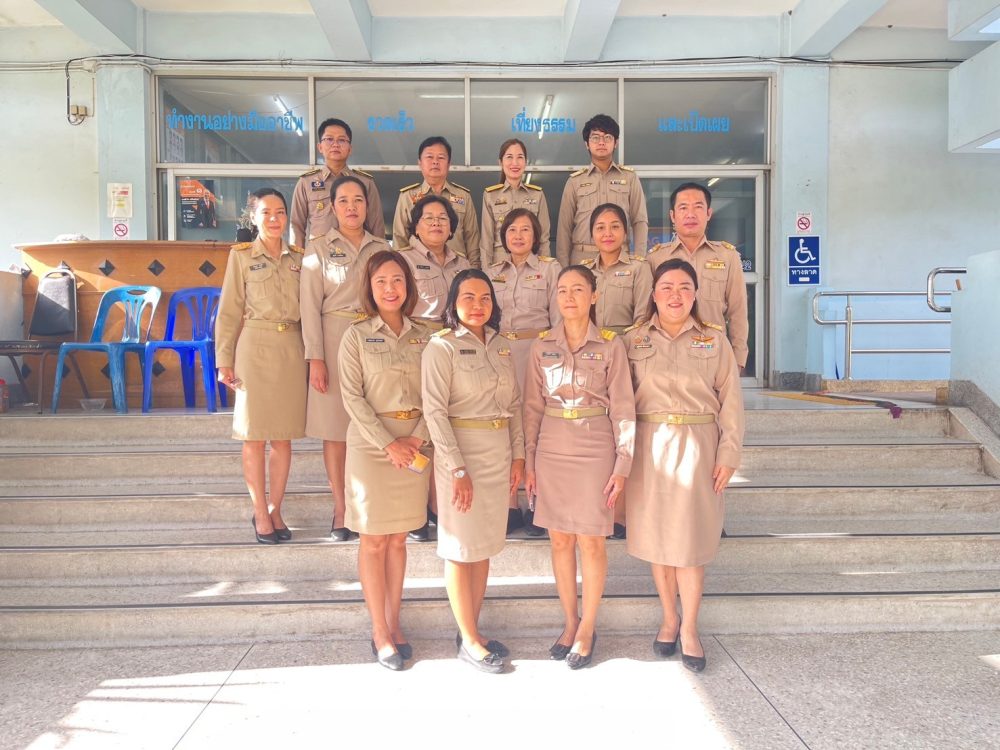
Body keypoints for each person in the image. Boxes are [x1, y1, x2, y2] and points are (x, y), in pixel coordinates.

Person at [624, 258, 744, 673]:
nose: (675, 295)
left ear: (695, 295)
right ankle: (668, 619)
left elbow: (731, 402)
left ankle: (690, 627)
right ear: (653, 294)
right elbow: (620, 401)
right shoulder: (633, 340)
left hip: (698, 446)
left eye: (684, 288)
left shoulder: (715, 340)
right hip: (649, 447)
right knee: (659, 540)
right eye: (667, 287)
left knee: (690, 545)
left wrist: (729, 454)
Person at [523, 265, 635, 669]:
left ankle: (588, 627)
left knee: (591, 540)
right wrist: (530, 460)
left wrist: (623, 463)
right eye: (562, 290)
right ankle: (569, 622)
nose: (569, 297)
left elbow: (623, 406)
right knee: (559, 540)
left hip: (594, 446)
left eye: (577, 290)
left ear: (594, 296)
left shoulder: (610, 345)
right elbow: (532, 407)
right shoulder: (541, 346)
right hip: (552, 446)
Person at [421, 269, 525, 673]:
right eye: (468, 297)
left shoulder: (501, 345)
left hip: (497, 453)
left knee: (482, 547)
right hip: (461, 455)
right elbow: (435, 412)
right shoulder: (441, 347)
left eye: (485, 298)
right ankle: (468, 640)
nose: (478, 305)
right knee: (460, 549)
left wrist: (518, 456)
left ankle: (472, 631)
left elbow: (513, 406)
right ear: (453, 303)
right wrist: (457, 468)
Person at [339, 250, 431, 671]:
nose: (390, 289)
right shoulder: (355, 336)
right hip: (372, 447)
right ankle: (379, 631)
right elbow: (352, 398)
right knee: (374, 541)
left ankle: (395, 623)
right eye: (381, 282)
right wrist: (388, 444)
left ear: (408, 286)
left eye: (397, 280)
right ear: (370, 288)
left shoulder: (427, 336)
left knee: (398, 540)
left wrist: (417, 438)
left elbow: (439, 393)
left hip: (414, 445)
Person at [300, 175, 391, 541]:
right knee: (336, 431)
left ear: (368, 206)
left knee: (375, 423)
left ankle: (371, 505)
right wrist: (315, 359)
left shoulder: (382, 247)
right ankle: (341, 507)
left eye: (358, 200)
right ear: (332, 207)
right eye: (344, 201)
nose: (352, 207)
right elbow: (309, 307)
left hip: (374, 341)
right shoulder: (317, 248)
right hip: (334, 338)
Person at [215, 188, 306, 545]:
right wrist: (224, 360)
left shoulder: (300, 258)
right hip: (254, 347)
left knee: (283, 437)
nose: (274, 218)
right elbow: (229, 312)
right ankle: (259, 511)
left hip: (291, 349)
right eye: (266, 212)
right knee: (253, 436)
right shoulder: (241, 257)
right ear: (253, 218)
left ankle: (275, 508)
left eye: (280, 212)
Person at [487, 208, 560, 537]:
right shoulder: (491, 273)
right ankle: (509, 505)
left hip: (537, 351)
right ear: (503, 236)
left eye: (525, 230)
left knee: (537, 427)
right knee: (505, 428)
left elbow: (559, 318)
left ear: (536, 236)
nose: (518, 235)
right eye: (512, 230)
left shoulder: (549, 269)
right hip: (500, 353)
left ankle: (537, 504)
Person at [645, 182, 749, 371]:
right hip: (666, 355)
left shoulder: (727, 256)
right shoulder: (656, 257)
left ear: (708, 213)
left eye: (698, 207)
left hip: (714, 353)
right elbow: (647, 311)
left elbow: (738, 311)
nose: (690, 214)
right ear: (672, 216)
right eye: (683, 208)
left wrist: (738, 357)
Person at [556, 114, 648, 267]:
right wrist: (564, 269)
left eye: (607, 137)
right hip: (583, 259)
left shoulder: (630, 178)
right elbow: (564, 228)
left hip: (620, 259)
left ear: (615, 143)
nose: (601, 142)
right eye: (595, 138)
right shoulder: (575, 182)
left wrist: (639, 261)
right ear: (587, 144)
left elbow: (639, 221)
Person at [290, 118, 385, 246]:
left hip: (357, 253)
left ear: (350, 148)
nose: (335, 144)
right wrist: (299, 256)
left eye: (341, 140)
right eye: (329, 139)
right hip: (319, 254)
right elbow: (296, 225)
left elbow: (376, 225)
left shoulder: (365, 182)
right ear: (320, 147)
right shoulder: (306, 183)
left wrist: (379, 255)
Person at [393, 136, 479, 266]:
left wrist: (473, 271)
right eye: (429, 157)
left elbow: (472, 238)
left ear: (449, 164)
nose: (435, 162)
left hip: (456, 268)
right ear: (420, 163)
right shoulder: (407, 196)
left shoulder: (463, 196)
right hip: (418, 269)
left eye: (441, 158)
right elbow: (399, 239)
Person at [396, 195, 472, 331]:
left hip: (457, 335)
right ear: (416, 228)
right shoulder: (402, 260)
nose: (436, 223)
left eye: (443, 218)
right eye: (429, 218)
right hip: (419, 336)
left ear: (451, 229)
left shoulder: (463, 264)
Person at [480, 138, 551, 266]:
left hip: (531, 264)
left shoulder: (537, 195)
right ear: (500, 162)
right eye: (509, 157)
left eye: (520, 157)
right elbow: (486, 241)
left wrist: (546, 269)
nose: (515, 163)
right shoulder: (490, 195)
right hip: (500, 264)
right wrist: (487, 272)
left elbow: (544, 239)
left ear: (526, 162)